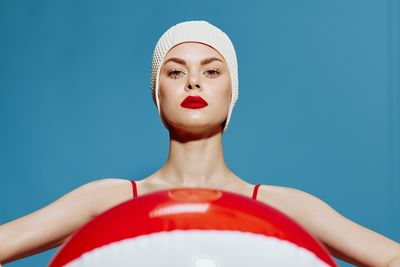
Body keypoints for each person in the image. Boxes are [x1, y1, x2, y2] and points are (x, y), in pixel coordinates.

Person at [0, 20, 399, 266]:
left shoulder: (282, 206)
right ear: (157, 96)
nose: (193, 82)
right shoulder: (108, 199)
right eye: (175, 73)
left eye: (211, 71)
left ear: (232, 93)